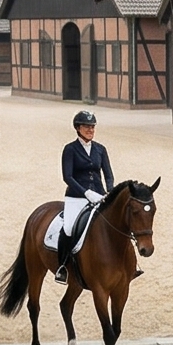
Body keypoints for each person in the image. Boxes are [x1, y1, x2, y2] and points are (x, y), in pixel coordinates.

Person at [54, 110, 114, 282]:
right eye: (87, 126)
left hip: (100, 196)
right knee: (69, 228)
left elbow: (108, 174)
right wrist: (86, 193)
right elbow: (68, 177)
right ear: (78, 128)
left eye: (92, 127)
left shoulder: (100, 149)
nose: (90, 130)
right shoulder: (70, 149)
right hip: (76, 197)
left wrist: (110, 190)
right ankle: (63, 266)